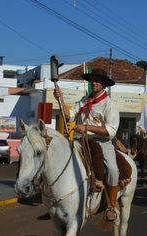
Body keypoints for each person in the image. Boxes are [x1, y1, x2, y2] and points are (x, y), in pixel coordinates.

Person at [53, 68, 119, 222]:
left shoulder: (109, 105)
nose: (93, 83)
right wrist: (60, 99)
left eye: (97, 81)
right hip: (80, 141)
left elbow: (110, 130)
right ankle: (53, 201)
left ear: (104, 84)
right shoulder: (83, 101)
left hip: (101, 142)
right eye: (92, 80)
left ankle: (111, 207)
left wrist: (87, 127)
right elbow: (69, 116)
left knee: (112, 169)